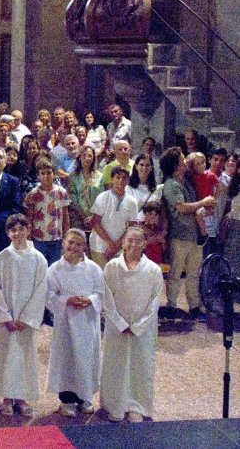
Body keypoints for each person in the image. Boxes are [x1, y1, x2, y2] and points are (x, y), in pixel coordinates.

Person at [100, 226, 163, 423]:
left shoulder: (153, 270)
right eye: (130, 240)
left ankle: (137, 405)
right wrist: (120, 323)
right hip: (116, 326)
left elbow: (154, 303)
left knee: (140, 365)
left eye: (138, 241)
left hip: (142, 329)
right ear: (124, 241)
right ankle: (115, 405)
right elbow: (106, 297)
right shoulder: (112, 267)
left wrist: (137, 326)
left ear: (145, 243)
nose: (133, 244)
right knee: (115, 364)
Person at [0, 213, 48, 417]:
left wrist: (26, 318)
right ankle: (6, 397)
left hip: (25, 320)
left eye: (21, 229)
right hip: (6, 319)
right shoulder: (1, 258)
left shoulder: (38, 258)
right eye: (13, 230)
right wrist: (5, 316)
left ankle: (21, 398)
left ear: (28, 230)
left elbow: (41, 289)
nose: (18, 233)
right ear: (7, 233)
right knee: (5, 356)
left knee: (24, 356)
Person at [45, 228, 104, 417]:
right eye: (70, 242)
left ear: (84, 247)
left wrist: (89, 301)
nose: (73, 247)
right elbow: (49, 295)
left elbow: (101, 293)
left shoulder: (93, 269)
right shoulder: (54, 269)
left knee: (86, 359)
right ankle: (67, 399)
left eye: (78, 244)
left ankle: (84, 397)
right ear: (63, 243)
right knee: (66, 359)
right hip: (66, 322)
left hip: (87, 322)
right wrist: (67, 301)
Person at [161, 147, 214, 319]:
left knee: (193, 273)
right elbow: (182, 208)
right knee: (175, 273)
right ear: (176, 164)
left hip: (194, 236)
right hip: (179, 236)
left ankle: (194, 306)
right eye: (182, 159)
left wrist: (205, 206)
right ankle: (171, 306)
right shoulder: (171, 184)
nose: (185, 161)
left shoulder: (186, 181)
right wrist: (203, 202)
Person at [89, 167, 138, 269]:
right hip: (99, 247)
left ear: (128, 181)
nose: (121, 181)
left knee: (117, 281)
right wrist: (110, 244)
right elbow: (95, 222)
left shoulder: (132, 202)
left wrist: (117, 246)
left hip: (120, 249)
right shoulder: (102, 197)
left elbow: (132, 228)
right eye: (118, 177)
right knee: (101, 280)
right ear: (112, 179)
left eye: (124, 178)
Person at [24, 159, 70, 265]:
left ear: (54, 174)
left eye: (49, 173)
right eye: (42, 173)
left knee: (54, 266)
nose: (46, 176)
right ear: (38, 176)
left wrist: (66, 235)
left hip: (56, 238)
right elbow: (29, 217)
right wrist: (29, 237)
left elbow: (65, 215)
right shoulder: (33, 194)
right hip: (38, 238)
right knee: (39, 265)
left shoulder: (61, 192)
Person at [68, 145, 103, 232]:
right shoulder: (73, 177)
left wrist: (93, 218)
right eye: (84, 155)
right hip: (78, 219)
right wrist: (84, 217)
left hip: (97, 219)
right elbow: (73, 200)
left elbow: (102, 198)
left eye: (90, 156)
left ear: (93, 158)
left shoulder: (99, 176)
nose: (87, 158)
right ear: (79, 157)